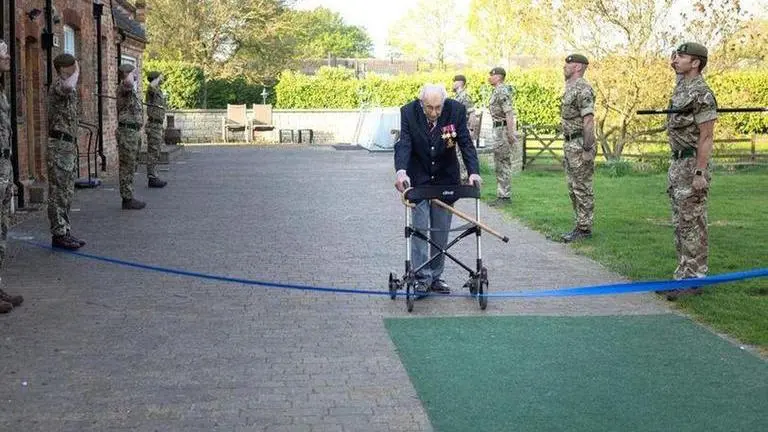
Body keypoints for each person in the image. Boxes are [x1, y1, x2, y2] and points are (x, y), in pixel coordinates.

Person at [394, 84, 482, 295]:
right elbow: (404, 143)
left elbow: (465, 143)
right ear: (421, 103)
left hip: (445, 178)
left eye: (438, 108)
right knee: (420, 230)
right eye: (429, 108)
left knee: (441, 232)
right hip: (419, 179)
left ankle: (435, 276)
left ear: (444, 103)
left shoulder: (456, 111)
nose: (434, 113)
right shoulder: (408, 112)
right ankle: (421, 278)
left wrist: (473, 172)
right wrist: (401, 171)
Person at [659, 42, 718, 301]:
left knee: (692, 223)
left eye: (681, 56)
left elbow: (706, 136)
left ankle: (694, 279)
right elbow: (677, 74)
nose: (676, 59)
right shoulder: (682, 88)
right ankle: (682, 274)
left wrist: (699, 173)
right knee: (681, 223)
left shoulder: (702, 93)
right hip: (677, 164)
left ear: (695, 62)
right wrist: (674, 65)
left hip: (692, 164)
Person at [47, 53, 85, 250]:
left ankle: (65, 230)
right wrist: (77, 72)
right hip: (59, 146)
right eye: (72, 65)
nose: (75, 68)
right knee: (58, 192)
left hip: (68, 146)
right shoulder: (58, 86)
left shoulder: (67, 88)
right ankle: (58, 233)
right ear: (64, 69)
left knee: (67, 192)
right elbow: (69, 86)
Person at [559, 54, 596, 242]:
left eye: (568, 64)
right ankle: (579, 225)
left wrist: (588, 148)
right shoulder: (569, 88)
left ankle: (585, 229)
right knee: (572, 187)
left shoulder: (583, 88)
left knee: (582, 187)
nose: (564, 66)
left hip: (580, 143)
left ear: (578, 67)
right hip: (570, 144)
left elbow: (588, 121)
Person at [0, 39, 23, 313]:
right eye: (3, 52)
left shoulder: (2, 89)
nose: (8, 56)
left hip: (4, 167)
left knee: (2, 229)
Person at [486, 67, 518, 207]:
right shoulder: (497, 91)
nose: (489, 78)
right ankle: (501, 195)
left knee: (503, 163)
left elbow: (509, 113)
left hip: (503, 131)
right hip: (498, 129)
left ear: (498, 77)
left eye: (491, 75)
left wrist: (511, 134)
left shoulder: (502, 91)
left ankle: (504, 197)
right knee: (499, 162)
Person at [116, 63, 146, 210]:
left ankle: (129, 195)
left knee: (131, 165)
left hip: (133, 133)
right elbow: (128, 82)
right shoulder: (124, 87)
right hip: (127, 133)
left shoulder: (131, 91)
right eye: (134, 73)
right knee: (127, 166)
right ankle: (127, 199)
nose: (136, 75)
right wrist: (129, 74)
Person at [145, 71, 167, 188]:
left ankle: (154, 175)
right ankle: (152, 178)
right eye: (160, 76)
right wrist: (156, 79)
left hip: (158, 125)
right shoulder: (151, 89)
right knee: (153, 152)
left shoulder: (158, 89)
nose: (162, 77)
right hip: (153, 125)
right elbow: (151, 86)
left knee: (156, 151)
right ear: (156, 78)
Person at [452, 74, 476, 183]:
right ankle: (458, 175)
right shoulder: (457, 96)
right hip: (452, 129)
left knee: (461, 152)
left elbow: (472, 114)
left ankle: (463, 176)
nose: (453, 83)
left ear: (460, 82)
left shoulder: (465, 96)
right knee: (453, 151)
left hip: (462, 129)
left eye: (454, 81)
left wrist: (471, 129)